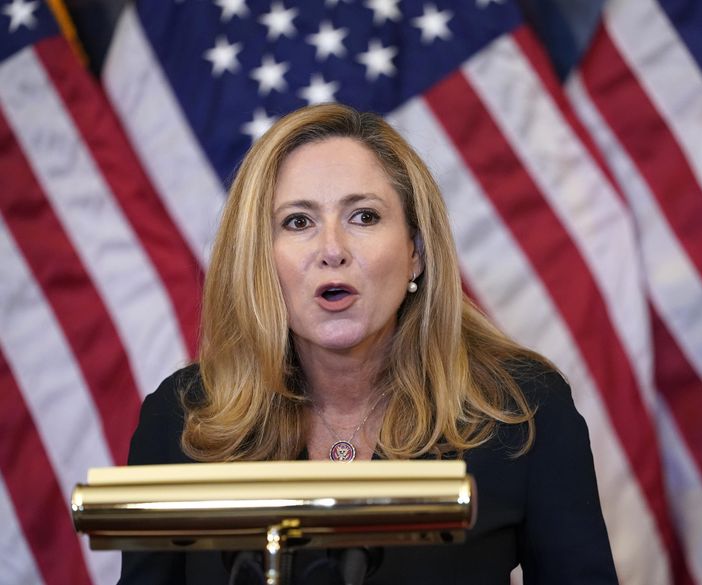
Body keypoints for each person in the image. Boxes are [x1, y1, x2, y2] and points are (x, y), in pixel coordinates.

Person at [119, 103, 618, 584]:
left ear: (416, 253)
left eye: (363, 217)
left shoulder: (523, 410)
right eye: (298, 222)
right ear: (259, 259)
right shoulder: (182, 419)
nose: (332, 250)